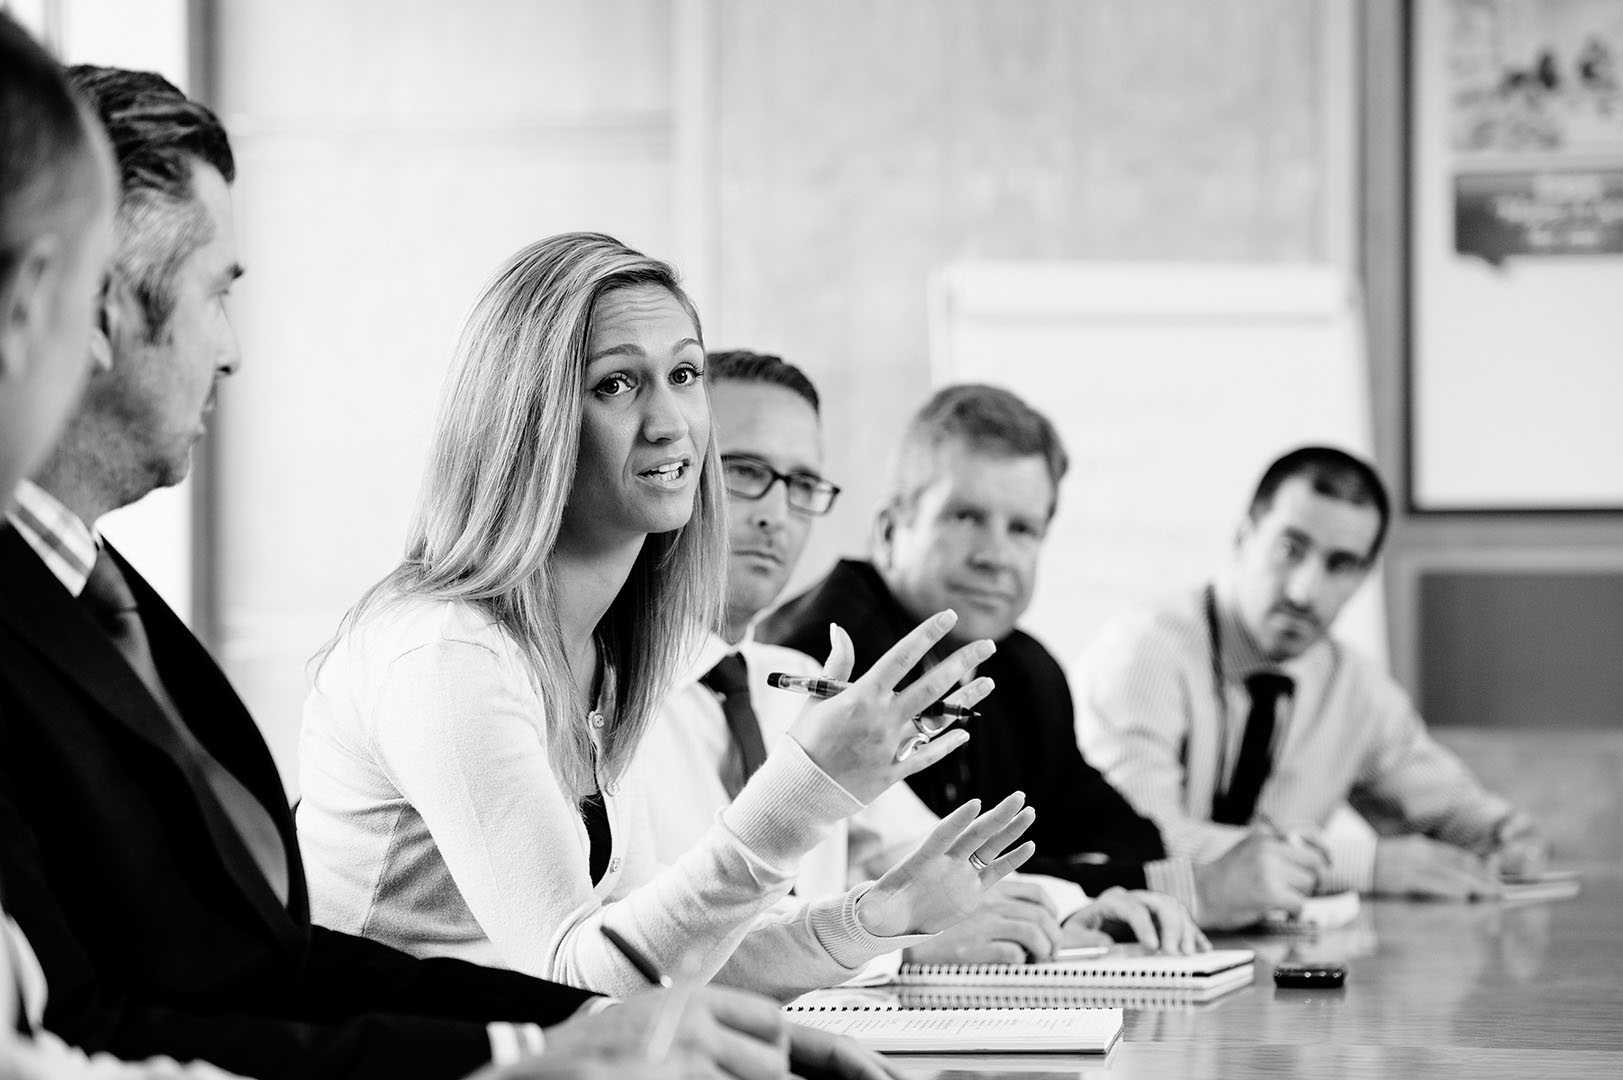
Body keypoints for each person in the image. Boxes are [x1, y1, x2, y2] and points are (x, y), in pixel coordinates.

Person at [0, 64, 875, 1080]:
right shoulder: (442, 649)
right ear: (81, 305)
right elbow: (90, 1028)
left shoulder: (105, 597)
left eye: (684, 375)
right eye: (217, 294)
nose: (233, 352)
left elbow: (265, 967)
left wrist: (609, 1032)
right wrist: (538, 1050)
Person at [298, 234, 1038, 1007]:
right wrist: (802, 791)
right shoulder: (445, 654)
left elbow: (658, 957)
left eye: (683, 375)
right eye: (616, 384)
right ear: (526, 420)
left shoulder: (605, 659)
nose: (670, 423)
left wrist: (870, 919)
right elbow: (574, 979)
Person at [642, 352, 1206, 960]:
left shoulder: (793, 681)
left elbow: (920, 859)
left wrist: (1076, 907)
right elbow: (654, 950)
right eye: (743, 472)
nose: (774, 514)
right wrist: (900, 942)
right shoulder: (824, 659)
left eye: (802, 485)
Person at [1075, 445, 1548, 925]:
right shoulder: (1145, 651)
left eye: (1340, 565)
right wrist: (1362, 865)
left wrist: (1506, 839)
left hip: (1281, 964)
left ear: (1364, 576)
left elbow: (1454, 812)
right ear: (1244, 537)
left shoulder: (1354, 687)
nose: (1305, 591)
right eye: (1290, 549)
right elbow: (1141, 843)